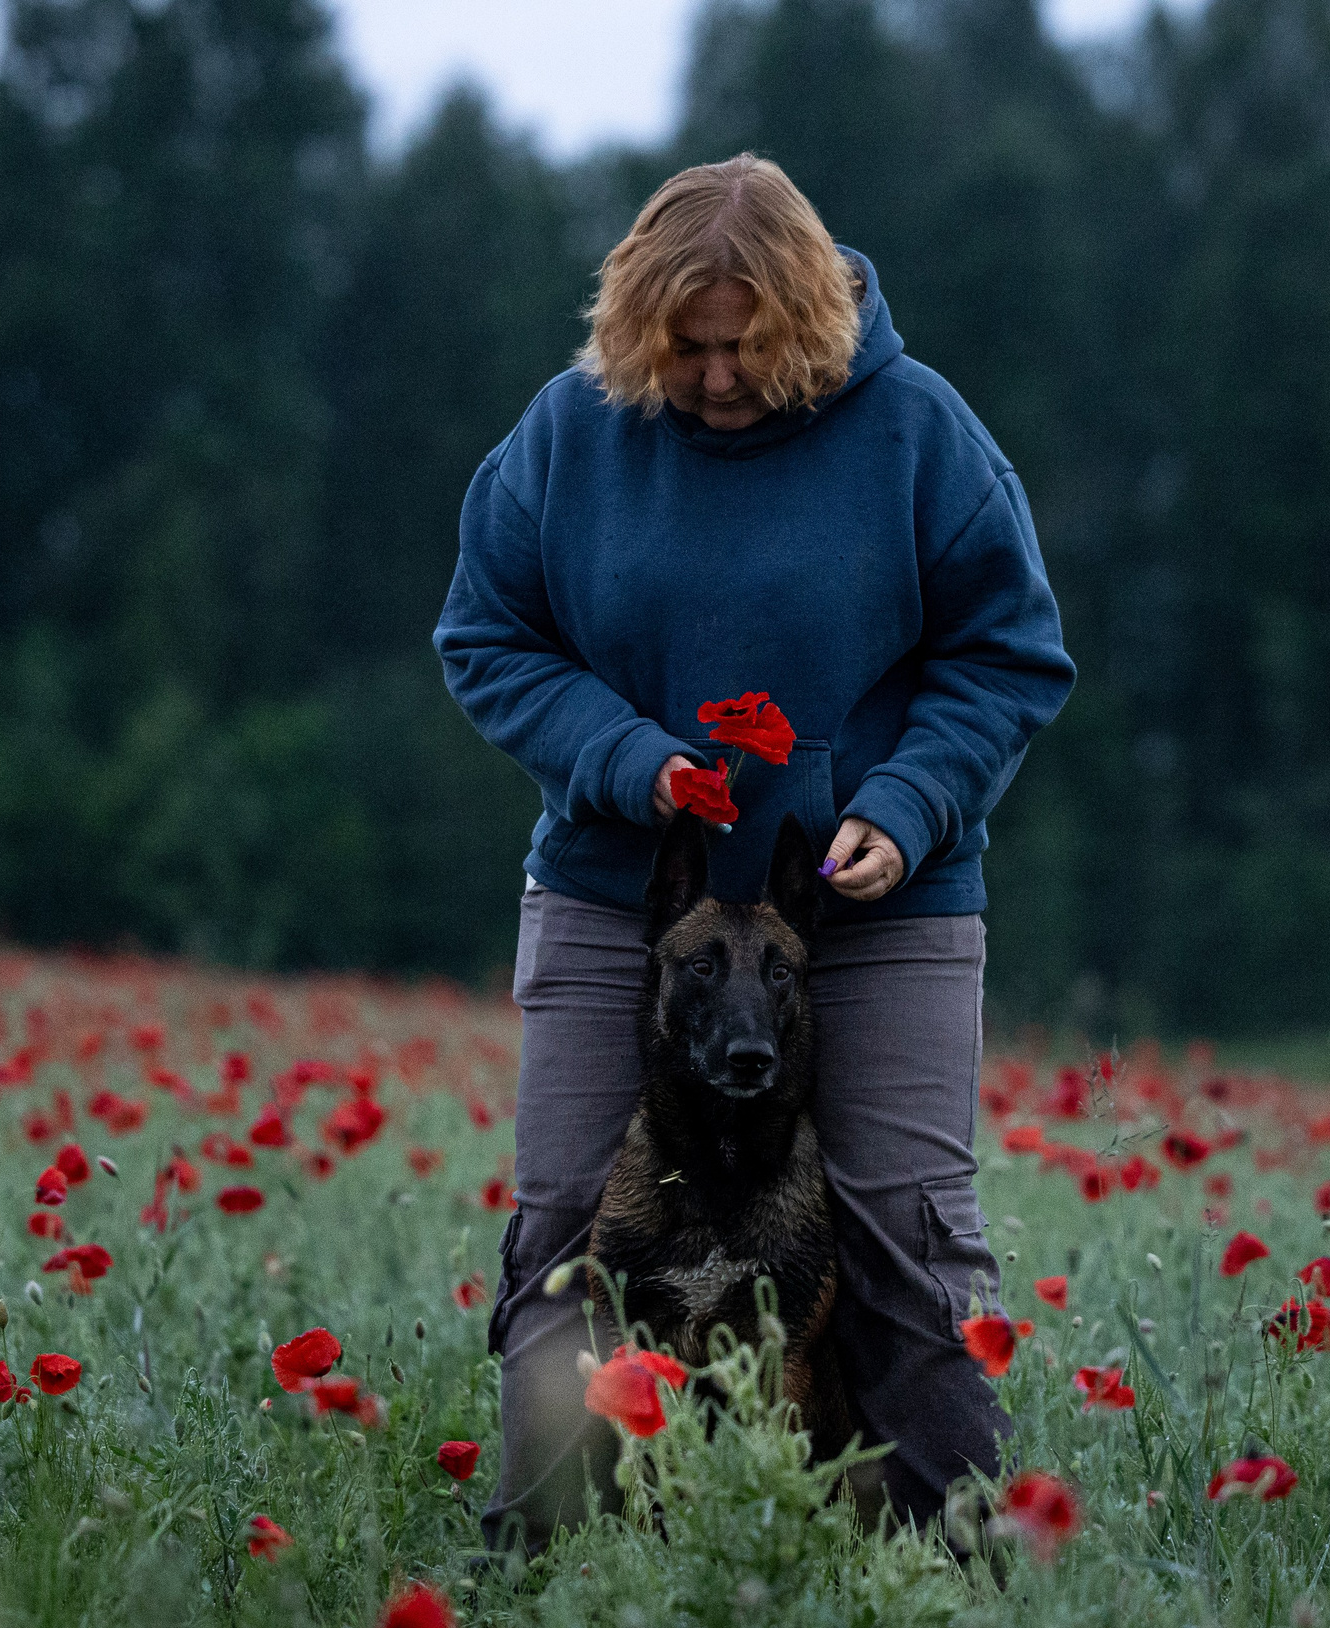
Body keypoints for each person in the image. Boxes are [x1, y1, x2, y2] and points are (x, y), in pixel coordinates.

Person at [434, 153, 1073, 1555]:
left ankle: (964, 1557)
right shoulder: (565, 437)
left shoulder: (919, 434)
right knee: (562, 1225)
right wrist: (621, 756)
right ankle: (552, 1560)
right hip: (623, 891)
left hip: (875, 899)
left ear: (811, 320)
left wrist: (907, 805)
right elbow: (486, 637)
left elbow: (1011, 655)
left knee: (904, 1226)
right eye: (687, 349)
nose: (716, 379)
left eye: (746, 347)